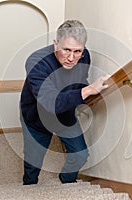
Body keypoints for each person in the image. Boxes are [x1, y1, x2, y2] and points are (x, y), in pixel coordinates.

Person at [20, 19, 108, 185]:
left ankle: (66, 182)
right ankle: (29, 187)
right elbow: (50, 102)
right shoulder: (36, 62)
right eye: (66, 49)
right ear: (55, 44)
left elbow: (80, 79)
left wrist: (95, 91)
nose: (71, 58)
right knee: (33, 161)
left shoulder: (84, 56)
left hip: (64, 115)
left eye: (77, 51)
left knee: (80, 155)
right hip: (36, 118)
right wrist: (89, 90)